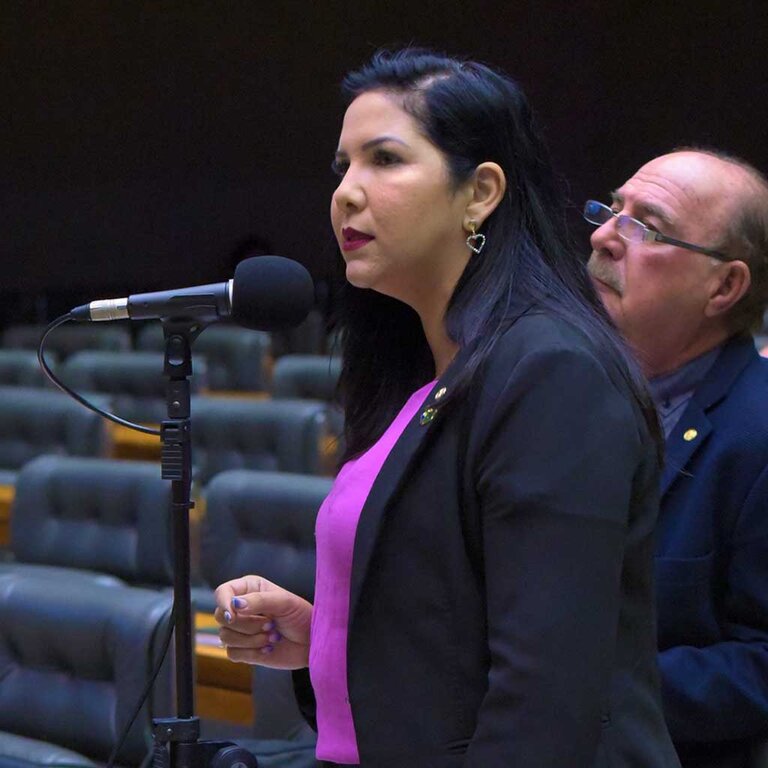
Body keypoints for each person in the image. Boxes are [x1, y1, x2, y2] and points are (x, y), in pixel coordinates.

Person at [215, 49, 680, 767]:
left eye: (385, 160)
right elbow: (448, 615)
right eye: (343, 167)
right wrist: (328, 639)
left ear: (481, 191)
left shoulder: (551, 372)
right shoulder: (418, 370)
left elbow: (544, 702)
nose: (346, 192)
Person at [584, 149, 768, 768]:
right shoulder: (552, 390)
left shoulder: (757, 434)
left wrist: (583, 692)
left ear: (725, 286)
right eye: (613, 210)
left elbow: (760, 662)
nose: (605, 236)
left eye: (645, 225)